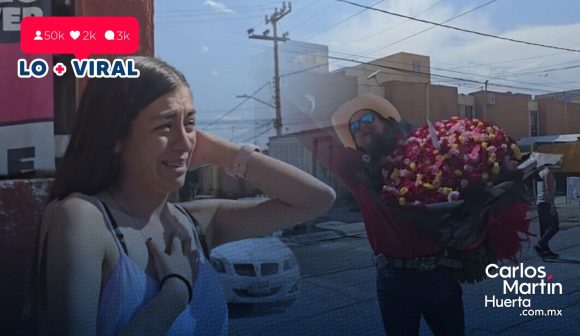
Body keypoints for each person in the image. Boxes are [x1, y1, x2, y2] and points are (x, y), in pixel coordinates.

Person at [33, 56, 335, 335]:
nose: (184, 142)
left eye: (190, 123)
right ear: (115, 138)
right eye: (164, 125)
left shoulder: (195, 222)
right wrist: (175, 294)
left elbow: (317, 198)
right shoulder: (84, 219)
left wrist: (223, 152)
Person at [298, 93, 464, 335]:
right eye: (354, 126)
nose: (363, 126)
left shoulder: (425, 154)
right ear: (355, 141)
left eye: (367, 118)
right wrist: (281, 99)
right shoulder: (355, 170)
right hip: (394, 281)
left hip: (441, 276)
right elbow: (313, 138)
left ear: (386, 123)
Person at [535, 165, 560, 259]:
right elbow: (548, 190)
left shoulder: (543, 172)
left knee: (544, 228)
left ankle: (545, 251)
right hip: (546, 203)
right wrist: (552, 205)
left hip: (541, 202)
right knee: (554, 226)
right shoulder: (548, 173)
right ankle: (540, 244)